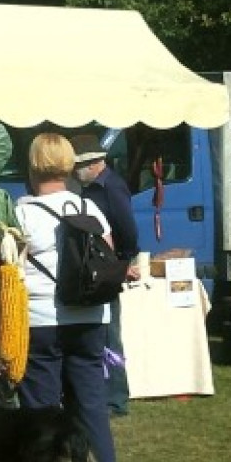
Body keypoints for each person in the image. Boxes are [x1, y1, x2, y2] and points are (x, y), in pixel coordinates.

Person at [15, 132, 123, 462]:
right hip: (90, 320)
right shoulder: (89, 208)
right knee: (92, 411)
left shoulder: (21, 212)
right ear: (68, 164)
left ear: (32, 165)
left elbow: (11, 274)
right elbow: (108, 257)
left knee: (40, 418)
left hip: (40, 323)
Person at [70, 134, 140, 418]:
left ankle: (116, 399)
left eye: (79, 166)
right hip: (99, 265)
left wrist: (121, 263)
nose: (75, 171)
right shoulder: (91, 187)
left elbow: (127, 229)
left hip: (109, 266)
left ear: (96, 163)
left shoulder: (111, 187)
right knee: (101, 332)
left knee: (110, 335)